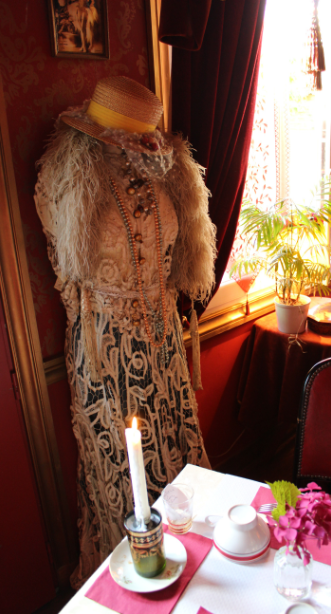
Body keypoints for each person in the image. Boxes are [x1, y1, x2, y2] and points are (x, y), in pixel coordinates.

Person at [34, 76, 216, 588]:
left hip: (163, 339)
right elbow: (66, 275)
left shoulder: (170, 168)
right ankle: (131, 581)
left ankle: (194, 570)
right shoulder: (66, 172)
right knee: (121, 468)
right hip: (105, 346)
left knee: (178, 452)